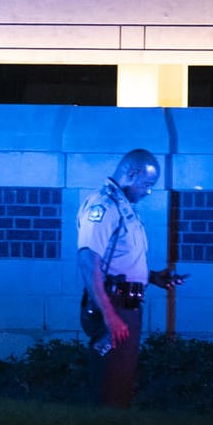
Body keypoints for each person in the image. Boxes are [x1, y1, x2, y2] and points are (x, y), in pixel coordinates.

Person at [76, 148, 186, 407]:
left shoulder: (123, 206)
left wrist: (152, 277)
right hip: (112, 305)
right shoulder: (104, 204)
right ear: (131, 173)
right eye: (147, 184)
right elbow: (88, 260)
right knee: (110, 381)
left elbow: (118, 262)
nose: (148, 191)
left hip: (125, 304)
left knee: (121, 378)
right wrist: (110, 316)